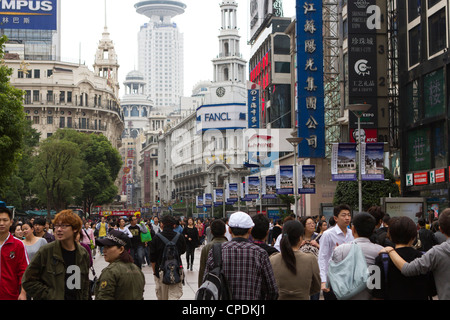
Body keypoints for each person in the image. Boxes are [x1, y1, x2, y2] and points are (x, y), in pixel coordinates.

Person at [203, 211, 278, 300]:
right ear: (250, 230)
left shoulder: (216, 251)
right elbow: (272, 291)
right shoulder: (260, 253)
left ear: (229, 230)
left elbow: (206, 282)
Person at [380, 208, 450, 300]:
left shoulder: (436, 253)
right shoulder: (423, 255)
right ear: (413, 237)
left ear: (441, 229)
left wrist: (391, 251)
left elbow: (408, 269)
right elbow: (432, 290)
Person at [22, 209, 90, 300]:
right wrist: (49, 295)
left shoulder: (82, 253)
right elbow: (28, 280)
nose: (58, 229)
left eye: (63, 226)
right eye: (56, 226)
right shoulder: (46, 251)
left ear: (75, 229)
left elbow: (84, 284)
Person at [372, 216, 436, 300]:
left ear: (390, 236)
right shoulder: (425, 258)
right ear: (414, 237)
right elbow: (433, 291)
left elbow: (376, 294)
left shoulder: (380, 260)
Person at [329, 212, 383, 300]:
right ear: (373, 230)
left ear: (353, 229)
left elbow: (333, 279)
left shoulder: (341, 250)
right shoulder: (381, 251)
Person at [269, 220, 320, 300]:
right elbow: (316, 287)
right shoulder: (310, 259)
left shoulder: (273, 259)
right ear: (300, 238)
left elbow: (269, 287)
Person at [94, 230, 145, 300]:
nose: (104, 250)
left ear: (121, 249)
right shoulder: (137, 270)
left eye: (108, 247)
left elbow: (104, 297)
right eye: (104, 247)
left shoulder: (111, 271)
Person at [318, 204, 354, 300]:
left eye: (349, 215)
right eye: (343, 215)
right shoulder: (328, 234)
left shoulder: (352, 234)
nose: (347, 218)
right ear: (335, 218)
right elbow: (322, 258)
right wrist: (323, 280)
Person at [150, 214, 186, 300]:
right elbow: (183, 251)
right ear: (174, 225)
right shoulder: (179, 237)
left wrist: (155, 272)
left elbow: (152, 257)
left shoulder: (156, 238)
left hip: (161, 270)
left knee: (162, 296)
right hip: (176, 270)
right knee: (174, 296)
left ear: (162, 224)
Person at [0, 207, 28, 300]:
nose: (1, 223)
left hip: (10, 295)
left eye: (5, 220)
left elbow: (24, 271)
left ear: (11, 222)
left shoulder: (18, 245)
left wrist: (23, 293)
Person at [198, 219, 228, 287]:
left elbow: (202, 270)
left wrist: (201, 287)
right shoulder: (230, 247)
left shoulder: (206, 248)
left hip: (211, 285)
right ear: (225, 231)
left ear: (211, 231)